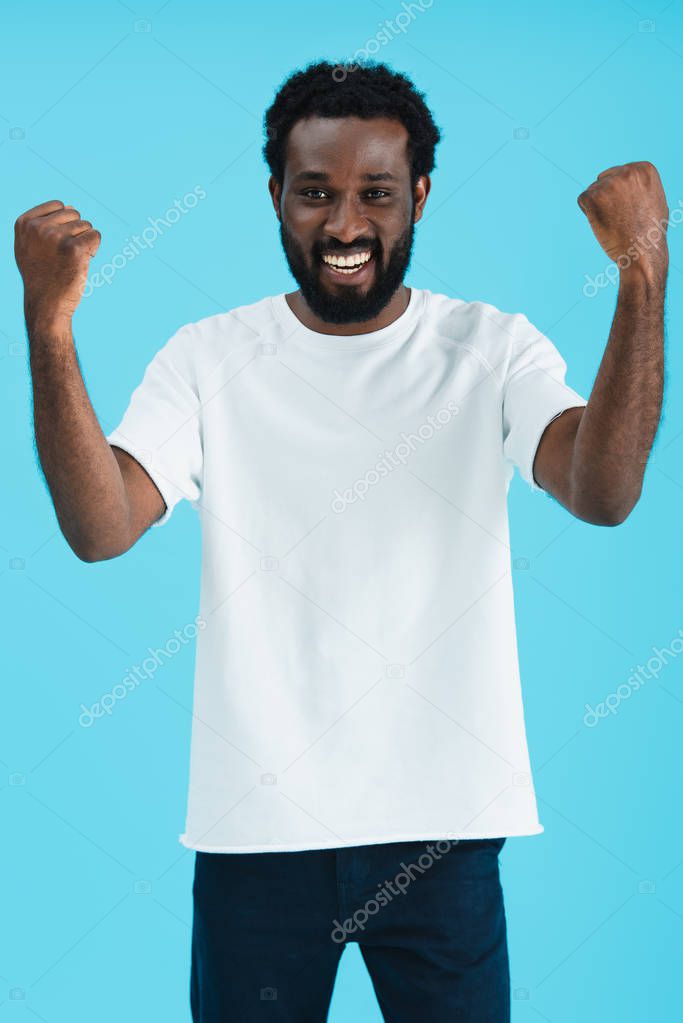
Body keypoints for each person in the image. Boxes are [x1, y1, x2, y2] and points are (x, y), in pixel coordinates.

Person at [15, 60, 668, 1022]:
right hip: (257, 835)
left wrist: (641, 278)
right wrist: (49, 325)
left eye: (376, 194)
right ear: (276, 194)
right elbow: (99, 528)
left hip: (443, 833)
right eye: (315, 192)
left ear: (420, 198)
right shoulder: (208, 355)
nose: (346, 225)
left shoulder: (491, 348)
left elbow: (602, 492)